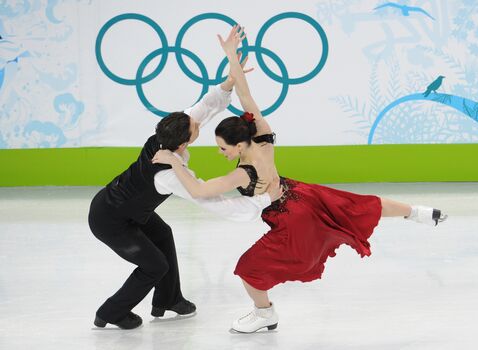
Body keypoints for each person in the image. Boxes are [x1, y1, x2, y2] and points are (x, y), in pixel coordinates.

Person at [152, 25, 448, 333]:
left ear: (239, 145)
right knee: (358, 205)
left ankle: (264, 313)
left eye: (222, 148)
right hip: (300, 193)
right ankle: (418, 213)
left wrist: (174, 161)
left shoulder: (243, 172)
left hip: (290, 218)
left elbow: (199, 190)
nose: (220, 152)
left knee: (247, 269)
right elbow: (244, 92)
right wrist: (231, 57)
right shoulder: (262, 136)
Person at [88, 64, 283, 330]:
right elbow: (209, 200)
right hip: (110, 221)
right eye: (194, 126)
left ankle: (169, 299)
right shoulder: (167, 174)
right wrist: (262, 201)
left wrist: (227, 84)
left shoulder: (164, 135)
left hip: (128, 208)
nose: (196, 121)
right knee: (154, 266)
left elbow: (202, 108)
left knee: (163, 234)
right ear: (183, 144)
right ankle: (111, 311)